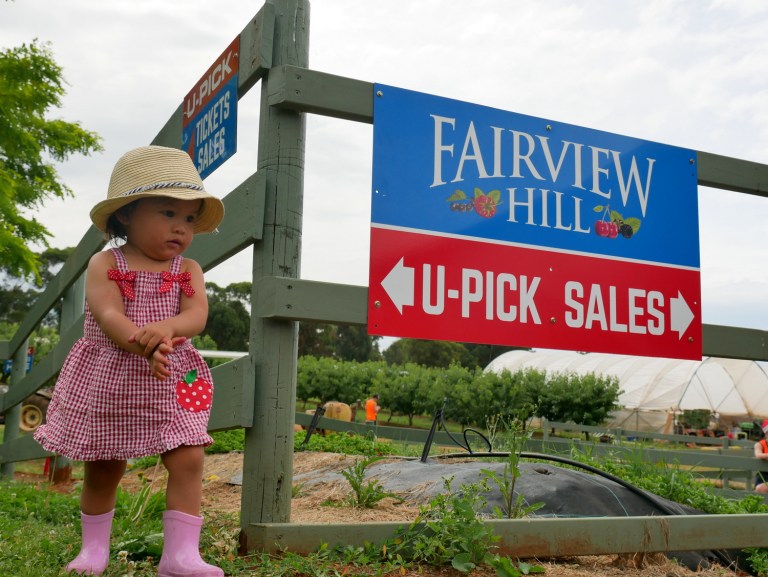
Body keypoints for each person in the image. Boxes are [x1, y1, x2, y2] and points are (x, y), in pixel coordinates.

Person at [34, 145, 226, 577]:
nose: (181, 228)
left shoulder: (187, 269)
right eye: (167, 213)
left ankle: (180, 556)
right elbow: (107, 315)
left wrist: (168, 330)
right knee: (105, 464)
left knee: (189, 455)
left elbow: (196, 316)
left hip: (172, 375)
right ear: (125, 214)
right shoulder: (105, 263)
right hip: (114, 375)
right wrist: (142, 341)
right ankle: (93, 551)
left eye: (190, 218)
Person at [754, 420, 768, 494]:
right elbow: (758, 454)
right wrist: (766, 455)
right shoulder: (760, 444)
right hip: (763, 475)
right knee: (760, 489)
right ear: (766, 434)